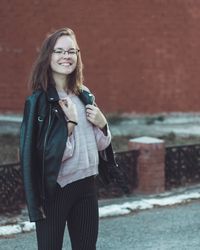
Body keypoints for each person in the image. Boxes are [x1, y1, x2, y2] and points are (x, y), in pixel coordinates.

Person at [19, 27, 115, 250]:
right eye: (59, 51)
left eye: (71, 51)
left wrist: (103, 125)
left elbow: (101, 145)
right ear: (48, 56)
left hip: (87, 186)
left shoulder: (85, 94)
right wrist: (69, 125)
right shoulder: (40, 102)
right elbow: (43, 156)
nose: (66, 56)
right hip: (56, 190)